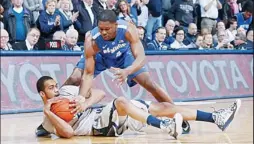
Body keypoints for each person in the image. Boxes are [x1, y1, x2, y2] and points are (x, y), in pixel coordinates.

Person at [63, 9, 191, 133]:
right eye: (101, 29)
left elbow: (141, 57)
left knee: (149, 83)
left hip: (123, 56)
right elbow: (88, 74)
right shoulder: (92, 39)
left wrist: (127, 71)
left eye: (107, 29)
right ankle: (54, 109)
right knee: (75, 78)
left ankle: (179, 115)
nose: (103, 32)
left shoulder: (128, 29)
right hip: (100, 56)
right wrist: (80, 97)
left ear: (116, 25)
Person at [36, 76, 241, 139]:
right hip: (99, 127)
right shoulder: (48, 117)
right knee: (121, 101)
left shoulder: (66, 93)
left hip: (102, 113)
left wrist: (83, 101)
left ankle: (215, 117)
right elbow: (69, 133)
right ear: (43, 94)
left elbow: (99, 93)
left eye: (56, 85)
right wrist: (47, 111)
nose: (56, 89)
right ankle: (165, 126)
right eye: (51, 88)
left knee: (162, 106)